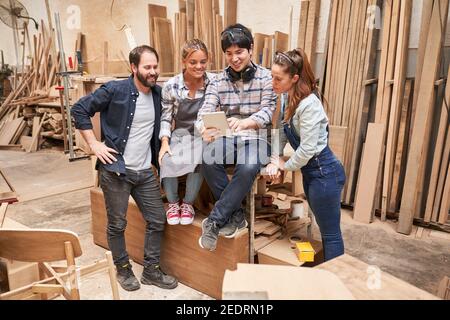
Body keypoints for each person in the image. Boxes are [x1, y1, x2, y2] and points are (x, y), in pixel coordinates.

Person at [71, 45, 178, 291]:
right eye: (147, 67)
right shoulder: (115, 90)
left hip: (144, 172)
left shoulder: (159, 94)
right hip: (116, 170)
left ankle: (151, 270)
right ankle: (123, 269)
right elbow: (79, 109)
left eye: (155, 67)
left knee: (157, 220)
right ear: (133, 67)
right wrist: (94, 144)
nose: (153, 72)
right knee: (117, 224)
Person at [196, 24, 277, 251]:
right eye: (229, 54)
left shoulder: (267, 77)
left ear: (250, 49)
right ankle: (236, 215)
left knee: (249, 165)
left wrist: (246, 122)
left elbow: (268, 110)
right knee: (208, 157)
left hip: (256, 136)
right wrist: (203, 127)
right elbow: (205, 110)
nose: (234, 58)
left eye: (239, 52)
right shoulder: (217, 80)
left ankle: (214, 220)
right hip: (228, 136)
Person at [267, 48, 346, 261]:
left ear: (294, 78)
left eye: (277, 78)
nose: (272, 82)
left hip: (325, 173)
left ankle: (335, 287)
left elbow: (308, 148)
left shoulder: (309, 105)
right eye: (271, 76)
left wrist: (285, 165)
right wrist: (276, 158)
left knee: (330, 234)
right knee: (324, 227)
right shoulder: (285, 98)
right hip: (312, 173)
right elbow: (281, 132)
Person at [159, 39, 213, 226]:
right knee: (167, 158)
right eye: (193, 62)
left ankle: (188, 203)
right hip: (180, 133)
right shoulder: (171, 86)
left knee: (199, 158)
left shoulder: (213, 82)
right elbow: (166, 117)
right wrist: (165, 142)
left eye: (203, 62)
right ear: (183, 62)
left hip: (204, 134)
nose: (199, 67)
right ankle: (173, 204)